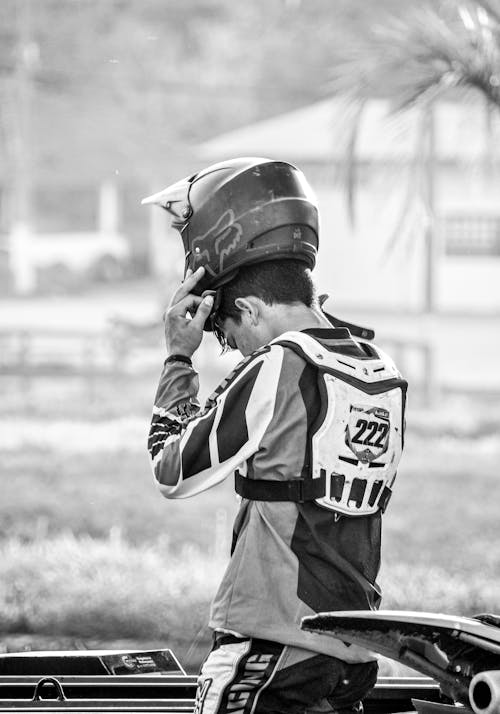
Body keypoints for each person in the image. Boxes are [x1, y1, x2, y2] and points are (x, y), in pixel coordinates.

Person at [143, 158, 407, 714]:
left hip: (272, 650)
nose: (234, 348)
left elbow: (171, 468)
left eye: (228, 332)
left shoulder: (278, 365)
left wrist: (177, 356)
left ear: (250, 308)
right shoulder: (380, 371)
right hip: (350, 652)